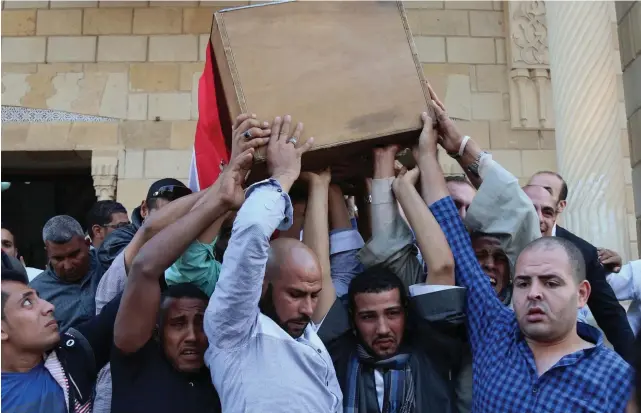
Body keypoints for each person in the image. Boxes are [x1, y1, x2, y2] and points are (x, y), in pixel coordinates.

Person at [424, 106, 633, 411]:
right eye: (523, 283)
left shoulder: (617, 382)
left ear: (582, 293)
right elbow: (450, 229)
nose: (534, 292)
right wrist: (432, 154)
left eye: (551, 282)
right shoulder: (493, 331)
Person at [205, 115, 346, 412]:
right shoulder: (234, 331)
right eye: (295, 295)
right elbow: (254, 231)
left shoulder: (309, 339)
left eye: (313, 295)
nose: (308, 309)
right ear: (261, 283)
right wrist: (282, 175)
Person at [526, 172, 634, 359]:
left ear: (560, 206)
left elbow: (611, 315)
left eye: (546, 191)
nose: (537, 195)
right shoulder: (500, 241)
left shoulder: (584, 252)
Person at [1, 269, 119, 413]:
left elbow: (125, 303)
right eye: (27, 303)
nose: (49, 307)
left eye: (38, 297)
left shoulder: (72, 355)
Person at [96, 178, 192, 272]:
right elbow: (137, 268)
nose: (173, 224)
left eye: (181, 217)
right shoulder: (116, 241)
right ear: (144, 209)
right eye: (165, 215)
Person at [30, 215, 102, 331]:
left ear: (88, 244)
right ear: (47, 253)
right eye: (58, 259)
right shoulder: (36, 293)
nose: (68, 266)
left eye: (74, 255)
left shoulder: (108, 265)